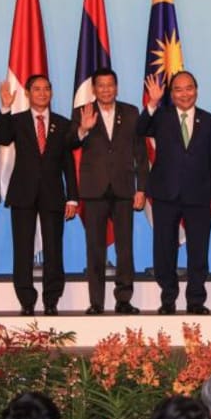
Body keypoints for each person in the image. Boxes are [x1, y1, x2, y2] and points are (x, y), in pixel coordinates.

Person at [138, 71, 211, 315]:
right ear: (171, 94)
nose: (184, 93)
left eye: (188, 88)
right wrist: (152, 103)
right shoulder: (161, 117)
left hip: (200, 196)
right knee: (164, 250)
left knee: (199, 250)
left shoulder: (209, 121)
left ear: (196, 90)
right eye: (178, 89)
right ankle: (168, 298)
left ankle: (196, 300)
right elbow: (140, 129)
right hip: (165, 194)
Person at [0, 74, 78, 316]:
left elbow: (67, 163)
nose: (42, 93)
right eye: (37, 89)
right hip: (23, 193)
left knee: (54, 249)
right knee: (22, 249)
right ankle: (27, 300)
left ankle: (51, 300)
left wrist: (72, 196)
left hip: (53, 195)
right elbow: (2, 137)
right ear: (28, 93)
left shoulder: (63, 124)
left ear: (51, 93)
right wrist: (4, 107)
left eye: (46, 89)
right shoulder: (17, 120)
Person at [72, 67, 148, 315]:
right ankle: (96, 302)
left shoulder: (131, 112)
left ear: (116, 87)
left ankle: (123, 299)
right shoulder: (82, 112)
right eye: (101, 85)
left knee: (125, 248)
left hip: (124, 188)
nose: (106, 89)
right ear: (94, 89)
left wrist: (142, 189)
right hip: (94, 190)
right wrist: (82, 129)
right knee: (95, 248)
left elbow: (140, 153)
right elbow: (70, 143)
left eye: (110, 85)